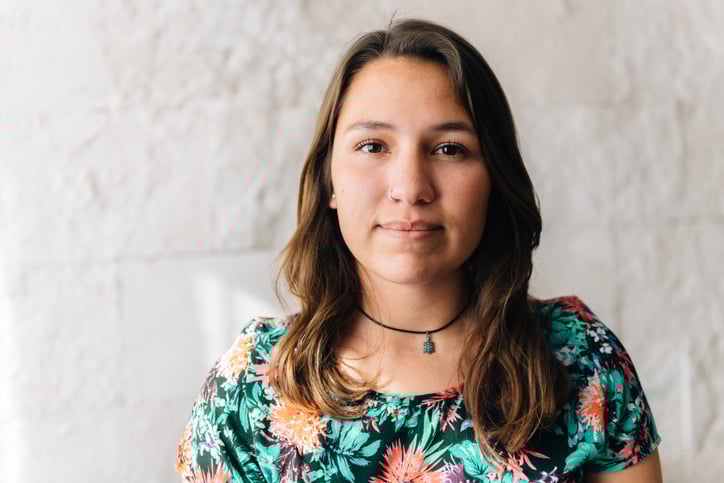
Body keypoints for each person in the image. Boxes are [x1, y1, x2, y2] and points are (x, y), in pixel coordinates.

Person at [175, 17, 662, 483]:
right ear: (329, 180)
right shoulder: (250, 386)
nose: (410, 188)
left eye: (449, 148)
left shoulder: (581, 359)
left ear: (494, 178)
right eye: (373, 146)